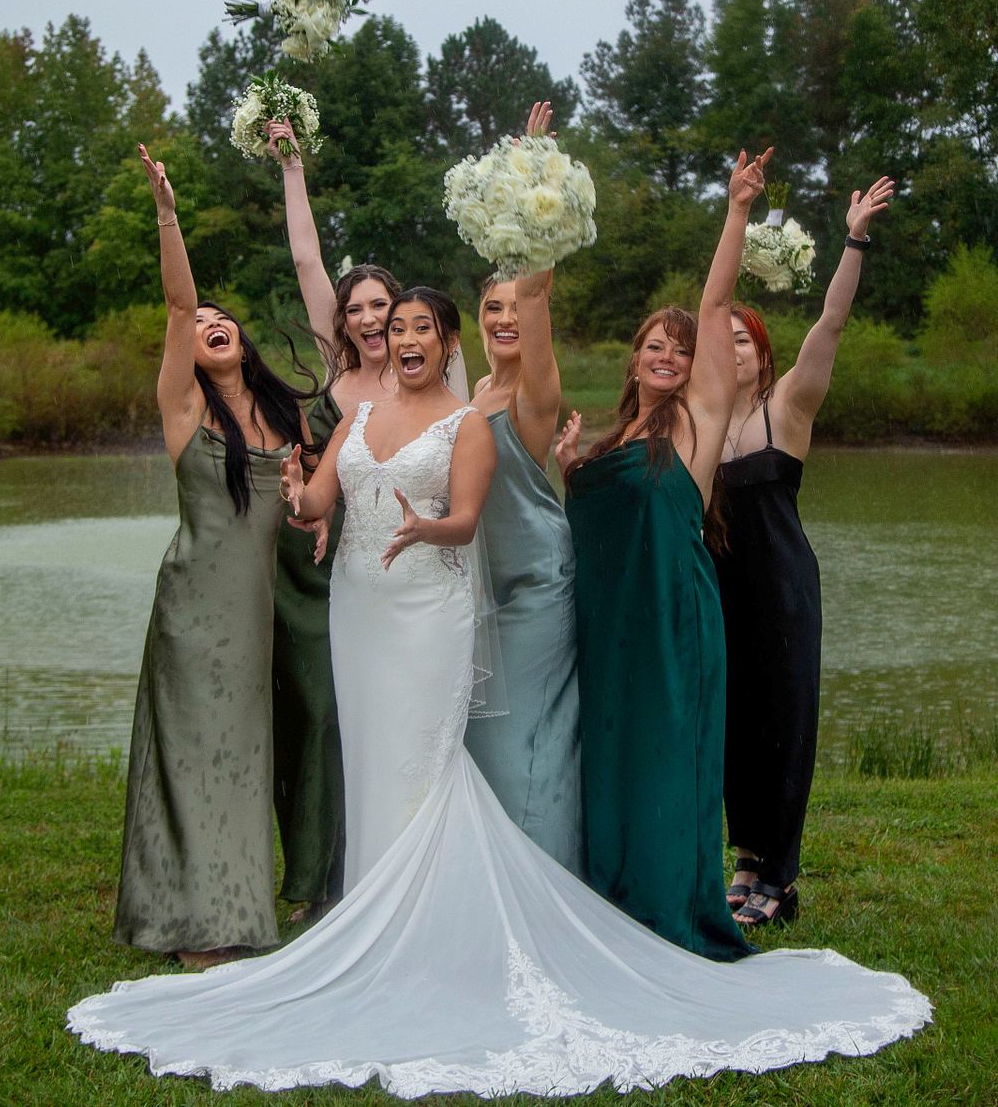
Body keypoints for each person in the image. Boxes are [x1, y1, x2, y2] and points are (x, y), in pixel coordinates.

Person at [69, 278, 928, 1094]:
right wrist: (301, 498)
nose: (404, 337)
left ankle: (441, 935)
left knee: (429, 767)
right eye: (395, 327)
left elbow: (468, 521)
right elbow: (317, 503)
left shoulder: (475, 420)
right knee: (374, 766)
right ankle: (377, 925)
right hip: (362, 616)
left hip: (440, 611)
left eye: (418, 328)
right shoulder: (360, 414)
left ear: (441, 344)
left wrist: (425, 523)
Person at [557, 150, 773, 961]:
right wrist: (570, 467)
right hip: (614, 632)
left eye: (679, 351)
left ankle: (670, 910)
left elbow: (716, 305)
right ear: (633, 356)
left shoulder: (697, 423)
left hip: (674, 618)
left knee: (666, 762)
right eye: (654, 344)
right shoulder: (615, 437)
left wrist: (737, 212)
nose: (667, 355)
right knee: (613, 758)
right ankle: (613, 901)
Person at [113, 144, 323, 969]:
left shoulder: (286, 417)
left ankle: (235, 911)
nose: (210, 323)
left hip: (256, 617)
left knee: (243, 760)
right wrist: (168, 214)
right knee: (196, 758)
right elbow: (176, 303)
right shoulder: (183, 411)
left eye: (220, 318)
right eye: (201, 326)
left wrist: (320, 506)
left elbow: (302, 510)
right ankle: (199, 924)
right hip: (193, 613)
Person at [719, 177, 895, 927]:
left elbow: (829, 323)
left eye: (742, 341)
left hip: (784, 587)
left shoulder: (785, 408)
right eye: (717, 340)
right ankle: (746, 858)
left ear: (761, 356)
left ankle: (780, 880)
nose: (730, 352)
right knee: (735, 722)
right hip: (723, 590)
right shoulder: (700, 427)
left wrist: (853, 237)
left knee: (785, 723)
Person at [262, 118, 402, 917]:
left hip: (396, 561)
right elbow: (309, 257)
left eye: (381, 305)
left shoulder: (425, 374)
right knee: (321, 713)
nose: (369, 318)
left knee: (381, 712)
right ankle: (316, 877)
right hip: (316, 561)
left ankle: (376, 872)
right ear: (343, 321)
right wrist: (293, 167)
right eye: (357, 308)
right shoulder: (337, 371)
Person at [464, 103, 583, 874]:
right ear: (475, 320)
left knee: (525, 747)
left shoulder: (535, 398)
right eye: (491, 307)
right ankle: (494, 898)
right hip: (479, 595)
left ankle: (549, 895)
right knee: (480, 745)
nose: (506, 317)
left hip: (538, 586)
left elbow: (538, 296)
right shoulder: (471, 388)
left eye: (514, 307)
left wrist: (534, 168)